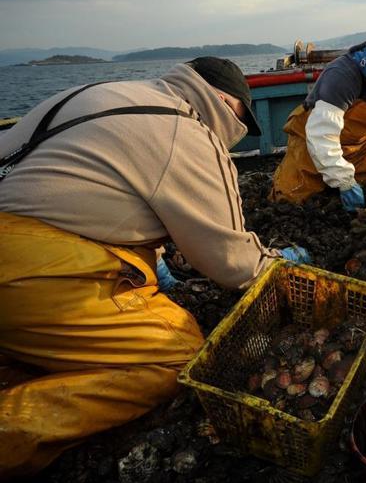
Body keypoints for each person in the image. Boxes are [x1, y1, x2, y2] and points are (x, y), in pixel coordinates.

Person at [0, 57, 311, 478]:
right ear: (223, 103)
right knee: (178, 358)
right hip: (25, 268)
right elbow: (233, 265)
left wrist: (159, 260)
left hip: (24, 253)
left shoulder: (111, 93)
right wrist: (277, 264)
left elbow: (105, 188)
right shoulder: (186, 129)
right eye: (240, 121)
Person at [269, 22, 366, 211]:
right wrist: (344, 181)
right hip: (312, 144)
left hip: (361, 147)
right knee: (289, 203)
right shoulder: (343, 75)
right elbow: (322, 135)